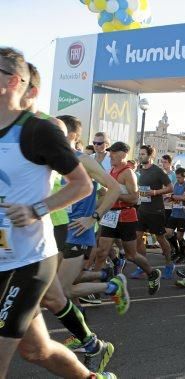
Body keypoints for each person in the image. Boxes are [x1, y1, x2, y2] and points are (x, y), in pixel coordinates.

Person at [0, 47, 115, 378]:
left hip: (29, 259)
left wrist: (37, 209)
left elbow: (82, 185)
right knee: (37, 351)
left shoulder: (38, 129)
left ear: (14, 82)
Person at [39, 115, 126, 373]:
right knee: (51, 291)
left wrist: (94, 216)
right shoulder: (49, 161)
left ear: (73, 136)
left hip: (77, 230)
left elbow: (114, 189)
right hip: (54, 231)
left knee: (61, 291)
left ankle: (110, 288)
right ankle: (86, 335)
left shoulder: (83, 160)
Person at [97, 142, 162, 295]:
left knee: (131, 255)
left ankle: (152, 273)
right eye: (110, 152)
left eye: (113, 152)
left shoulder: (128, 173)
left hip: (126, 216)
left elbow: (134, 198)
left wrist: (114, 193)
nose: (110, 155)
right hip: (110, 215)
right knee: (101, 251)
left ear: (124, 154)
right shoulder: (112, 170)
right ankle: (94, 290)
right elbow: (107, 196)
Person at [132, 145, 174, 279]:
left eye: (143, 154)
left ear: (151, 156)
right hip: (142, 209)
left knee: (160, 238)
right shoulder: (140, 170)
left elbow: (170, 188)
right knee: (137, 238)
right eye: (140, 154)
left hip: (156, 210)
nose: (141, 156)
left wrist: (155, 192)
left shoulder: (158, 171)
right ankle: (143, 266)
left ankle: (169, 264)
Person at [165, 167, 185, 264]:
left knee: (180, 236)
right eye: (177, 177)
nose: (178, 179)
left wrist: (172, 197)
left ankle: (182, 253)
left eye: (179, 177)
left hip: (183, 214)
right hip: (174, 212)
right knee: (168, 233)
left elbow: (184, 197)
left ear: (184, 177)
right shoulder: (176, 184)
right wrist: (169, 198)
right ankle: (177, 250)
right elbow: (175, 196)